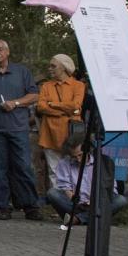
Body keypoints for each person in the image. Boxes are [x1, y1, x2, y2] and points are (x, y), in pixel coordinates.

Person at [0, 39, 43, 221]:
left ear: (7, 51)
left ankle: (30, 206)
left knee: (23, 167)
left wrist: (16, 103)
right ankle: (3, 206)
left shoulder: (22, 72)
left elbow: (34, 95)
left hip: (18, 127)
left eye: (0, 49)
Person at [36, 54, 86, 204]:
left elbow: (76, 105)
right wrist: (66, 109)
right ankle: (60, 205)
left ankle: (79, 202)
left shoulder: (78, 85)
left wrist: (52, 104)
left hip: (72, 135)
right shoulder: (46, 86)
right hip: (49, 134)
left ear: (64, 67)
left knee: (75, 170)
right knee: (54, 171)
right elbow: (41, 107)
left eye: (53, 66)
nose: (49, 68)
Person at [45, 144, 128, 224]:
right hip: (76, 205)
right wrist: (76, 200)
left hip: (96, 203)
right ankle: (88, 218)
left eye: (80, 155)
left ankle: (78, 219)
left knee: (120, 200)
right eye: (74, 157)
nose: (78, 160)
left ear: (88, 151)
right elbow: (66, 187)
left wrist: (93, 201)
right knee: (52, 193)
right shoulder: (64, 163)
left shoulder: (101, 163)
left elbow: (109, 189)